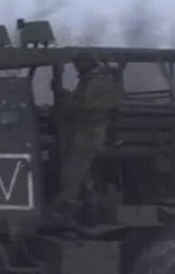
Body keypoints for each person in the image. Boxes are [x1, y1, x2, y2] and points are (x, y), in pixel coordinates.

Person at [51, 53, 123, 218]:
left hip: (89, 137)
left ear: (89, 62)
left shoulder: (101, 82)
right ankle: (90, 211)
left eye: (79, 62)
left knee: (72, 175)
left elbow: (97, 108)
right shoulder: (88, 82)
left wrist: (69, 104)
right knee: (83, 178)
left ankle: (65, 212)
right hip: (82, 136)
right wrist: (63, 94)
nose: (77, 66)